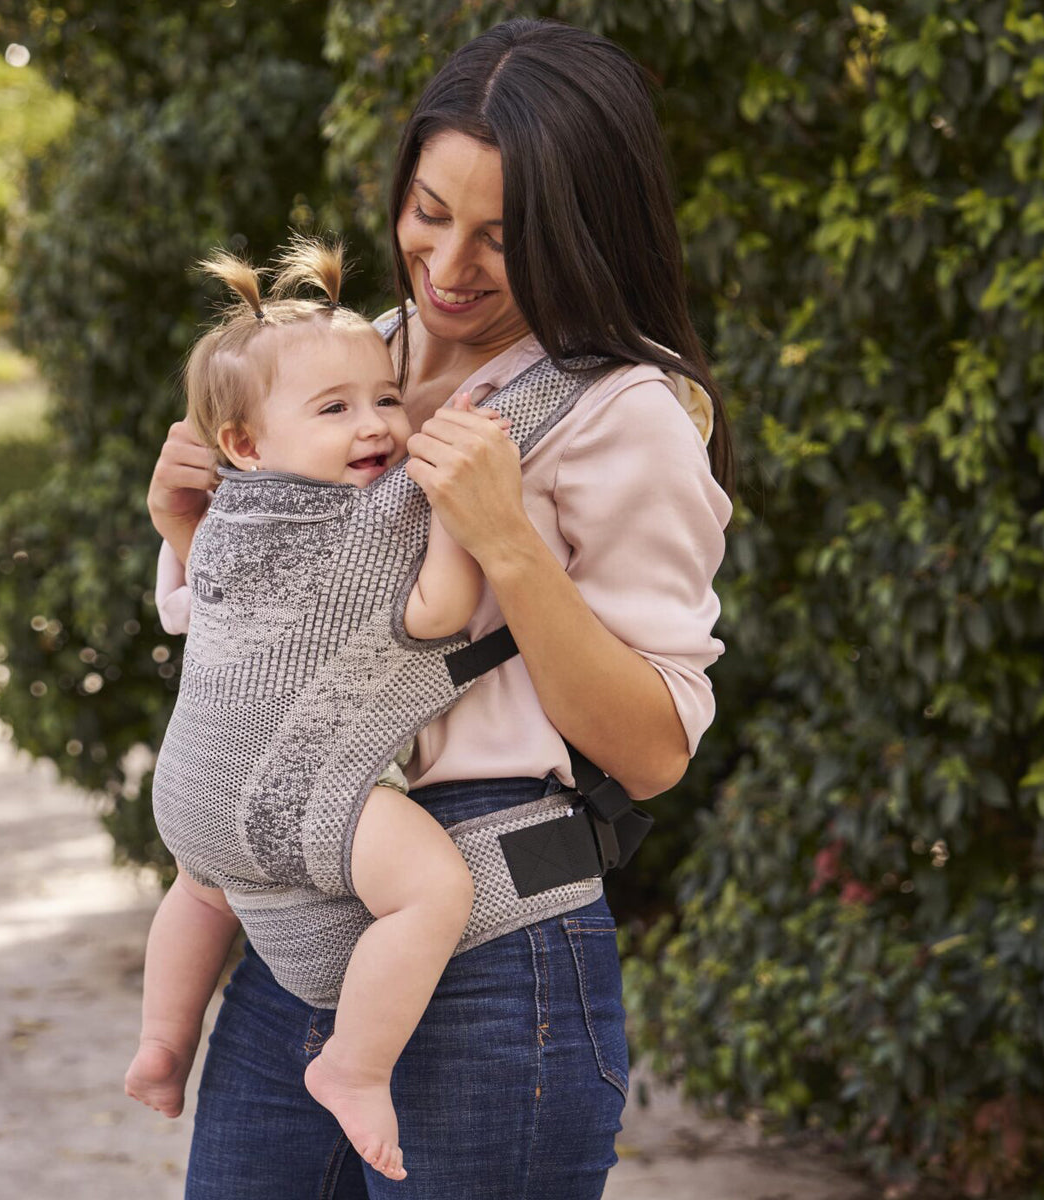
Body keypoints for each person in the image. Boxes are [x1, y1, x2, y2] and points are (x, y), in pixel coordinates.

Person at [147, 16, 735, 1199]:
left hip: (491, 956)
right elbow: (265, 647)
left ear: (581, 229)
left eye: (504, 237)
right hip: (294, 943)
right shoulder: (337, 361)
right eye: (429, 212)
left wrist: (510, 544)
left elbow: (656, 746)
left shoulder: (626, 414)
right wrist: (186, 532)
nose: (449, 266)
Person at [126, 235, 516, 1183]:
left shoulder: (221, 522)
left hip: (190, 792)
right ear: (246, 445)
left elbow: (200, 612)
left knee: (202, 889)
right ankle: (355, 1064)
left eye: (387, 397)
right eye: (334, 409)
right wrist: (458, 522)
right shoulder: (365, 523)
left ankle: (163, 1043)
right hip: (291, 795)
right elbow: (439, 614)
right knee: (432, 891)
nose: (377, 425)